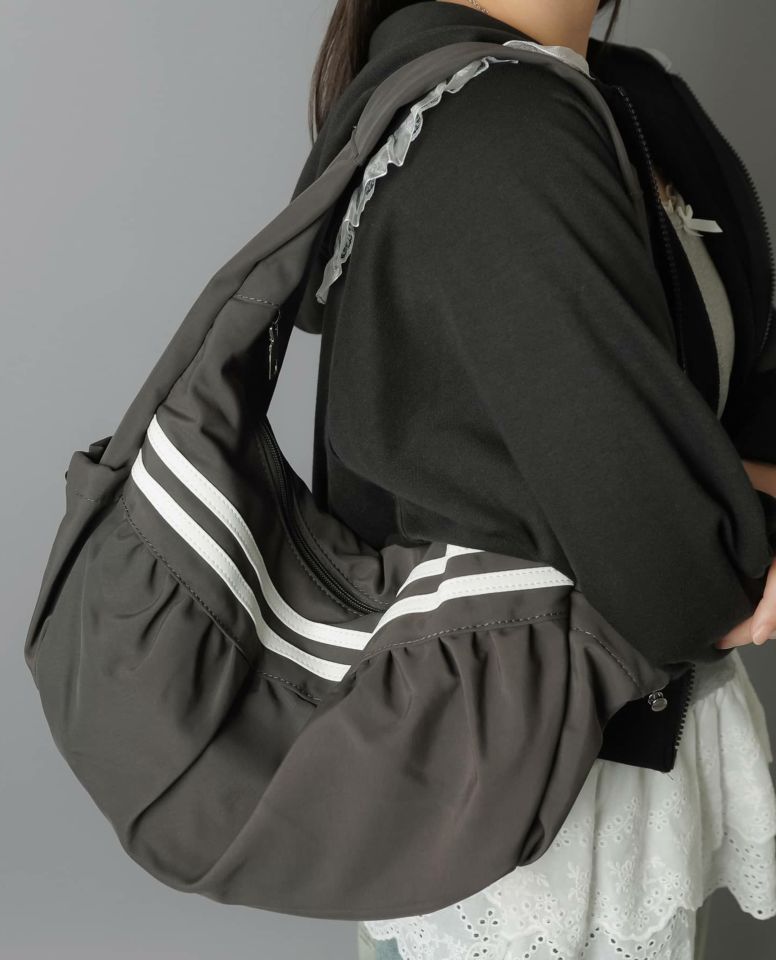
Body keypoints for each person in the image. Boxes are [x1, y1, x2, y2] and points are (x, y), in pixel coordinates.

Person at [290, 1, 776, 956]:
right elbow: (681, 577)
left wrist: (715, 509)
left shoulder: (632, 94)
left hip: (610, 759)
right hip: (523, 804)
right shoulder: (497, 127)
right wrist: (717, 534)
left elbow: (745, 393)